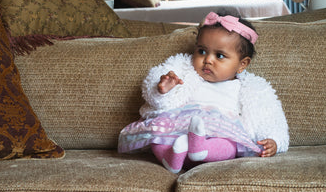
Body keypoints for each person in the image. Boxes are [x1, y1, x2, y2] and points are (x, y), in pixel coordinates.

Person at [118, 12, 289, 173]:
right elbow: (159, 102)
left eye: (220, 56)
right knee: (158, 136)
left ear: (242, 64)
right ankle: (171, 158)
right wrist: (162, 90)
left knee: (230, 146)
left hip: (221, 130)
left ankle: (202, 149)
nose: (208, 60)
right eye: (202, 51)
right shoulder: (185, 72)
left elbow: (269, 115)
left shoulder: (251, 87)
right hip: (180, 127)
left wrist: (274, 140)